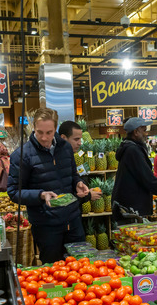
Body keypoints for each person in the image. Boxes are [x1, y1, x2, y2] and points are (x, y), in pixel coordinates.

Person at [7, 108, 89, 263]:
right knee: (53, 272)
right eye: (39, 132)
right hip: (46, 226)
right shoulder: (21, 156)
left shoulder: (65, 147)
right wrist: (40, 195)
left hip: (73, 220)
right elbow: (13, 192)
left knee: (81, 268)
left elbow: (72, 174)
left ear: (56, 129)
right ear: (33, 128)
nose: (44, 138)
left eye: (49, 132)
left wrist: (78, 183)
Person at [112, 117, 157, 223]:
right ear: (136, 132)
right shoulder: (133, 151)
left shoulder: (130, 148)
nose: (146, 133)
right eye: (144, 130)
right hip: (131, 209)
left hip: (129, 206)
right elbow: (149, 180)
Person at [58, 121, 101, 205]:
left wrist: (78, 182)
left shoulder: (69, 156)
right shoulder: (56, 160)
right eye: (76, 139)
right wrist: (87, 196)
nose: (80, 143)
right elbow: (58, 200)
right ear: (63, 138)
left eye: (80, 139)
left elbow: (73, 176)